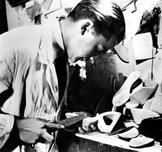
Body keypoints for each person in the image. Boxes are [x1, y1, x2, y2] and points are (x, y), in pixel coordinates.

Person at [0, 0, 127, 151]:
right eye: (98, 49)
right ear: (85, 28)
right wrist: (16, 128)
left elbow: (38, 109)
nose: (92, 58)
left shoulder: (62, 58)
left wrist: (70, 120)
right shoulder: (12, 46)